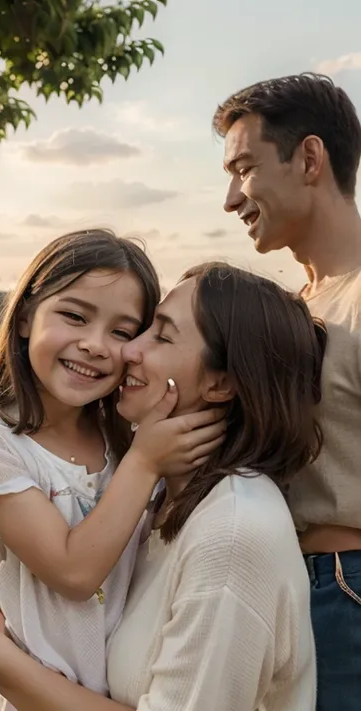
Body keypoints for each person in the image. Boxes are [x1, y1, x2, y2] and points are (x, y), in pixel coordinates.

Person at [0, 262, 326, 711]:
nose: (126, 351)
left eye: (160, 334)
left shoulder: (232, 532)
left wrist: (4, 664)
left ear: (221, 384)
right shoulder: (156, 502)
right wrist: (18, 558)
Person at [0, 229, 225, 711]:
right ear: (28, 315)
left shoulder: (130, 440)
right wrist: (144, 462)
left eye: (121, 332)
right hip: (33, 698)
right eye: (74, 316)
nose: (96, 345)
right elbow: (74, 573)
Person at [212, 73, 361, 710]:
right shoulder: (295, 311)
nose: (229, 198)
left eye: (243, 168)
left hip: (345, 590)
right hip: (285, 588)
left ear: (308, 158)